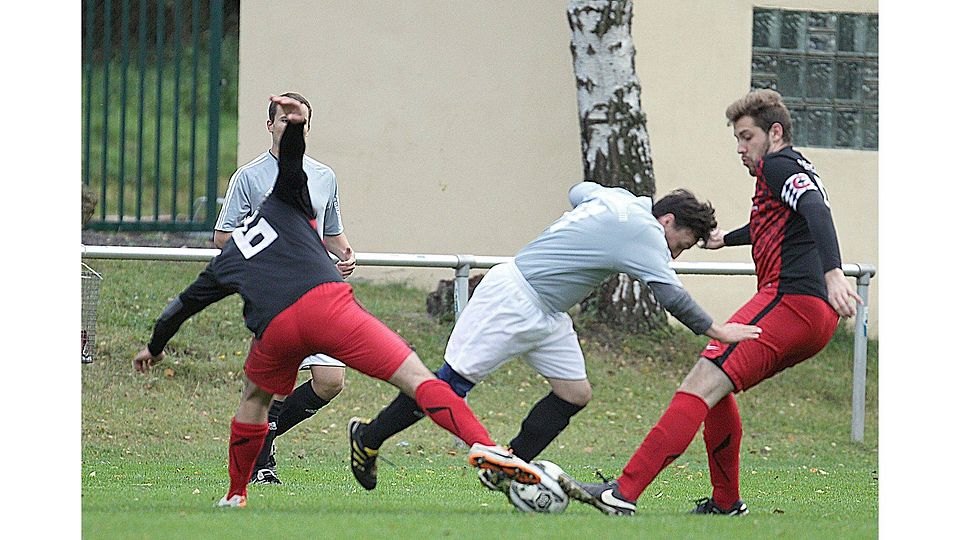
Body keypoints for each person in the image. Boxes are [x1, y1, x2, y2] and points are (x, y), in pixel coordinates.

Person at [133, 95, 542, 509]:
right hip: (328, 306)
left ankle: (236, 493)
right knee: (420, 382)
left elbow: (180, 308)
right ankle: (487, 447)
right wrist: (293, 127)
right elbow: (291, 161)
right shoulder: (283, 203)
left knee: (254, 401)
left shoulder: (228, 261)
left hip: (277, 330)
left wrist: (153, 348)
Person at [558, 88, 862, 517]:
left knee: (701, 381)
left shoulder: (776, 165)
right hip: (806, 313)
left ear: (775, 133)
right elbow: (783, 221)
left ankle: (622, 493)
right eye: (737, 139)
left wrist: (834, 272)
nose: (740, 148)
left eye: (746, 137)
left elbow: (814, 210)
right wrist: (728, 239)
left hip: (791, 301)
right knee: (717, 388)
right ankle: (724, 503)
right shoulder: (790, 167)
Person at [347, 181, 761, 494]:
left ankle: (507, 466)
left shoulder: (617, 198)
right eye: (680, 244)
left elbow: (577, 191)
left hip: (549, 312)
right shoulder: (646, 233)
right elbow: (671, 295)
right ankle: (368, 438)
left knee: (574, 392)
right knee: (447, 386)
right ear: (667, 221)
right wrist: (716, 330)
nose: (674, 254)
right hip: (513, 297)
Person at [213, 91, 356, 485]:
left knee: (330, 381)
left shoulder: (324, 176)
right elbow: (223, 236)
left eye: (301, 123)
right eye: (285, 120)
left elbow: (331, 233)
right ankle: (261, 464)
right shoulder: (249, 176)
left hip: (319, 291)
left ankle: (263, 439)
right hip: (277, 291)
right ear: (270, 124)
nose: (293, 127)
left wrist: (344, 252)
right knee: (275, 383)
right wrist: (271, 251)